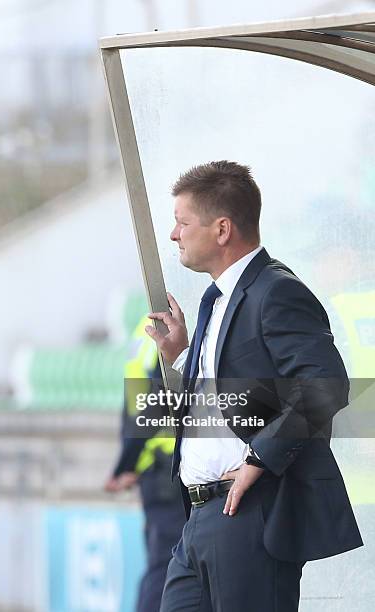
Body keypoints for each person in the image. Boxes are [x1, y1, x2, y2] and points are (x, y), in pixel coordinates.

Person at [144, 161, 363, 612]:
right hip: (199, 520)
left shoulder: (276, 290)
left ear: (221, 229)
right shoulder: (217, 298)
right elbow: (242, 399)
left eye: (182, 222)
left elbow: (326, 385)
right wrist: (183, 357)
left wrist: (259, 457)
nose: (173, 235)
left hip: (250, 514)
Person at [105, 315, 186, 612]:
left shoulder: (144, 325)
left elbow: (132, 406)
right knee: (168, 569)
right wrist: (126, 464)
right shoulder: (171, 324)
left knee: (164, 566)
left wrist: (126, 464)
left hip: (155, 468)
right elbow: (155, 401)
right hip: (171, 469)